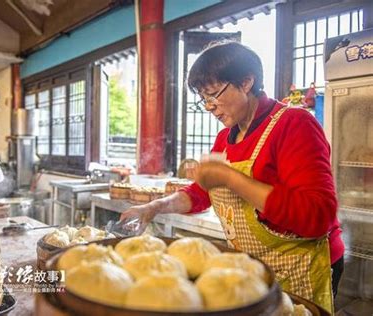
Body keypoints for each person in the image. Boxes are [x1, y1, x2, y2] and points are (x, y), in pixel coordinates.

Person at [121, 42, 344, 313]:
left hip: (300, 265)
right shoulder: (225, 138)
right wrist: (152, 208)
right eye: (204, 98)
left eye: (214, 94)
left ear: (247, 81)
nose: (209, 107)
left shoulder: (294, 124)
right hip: (251, 266)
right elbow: (200, 193)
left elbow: (317, 215)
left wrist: (231, 178)